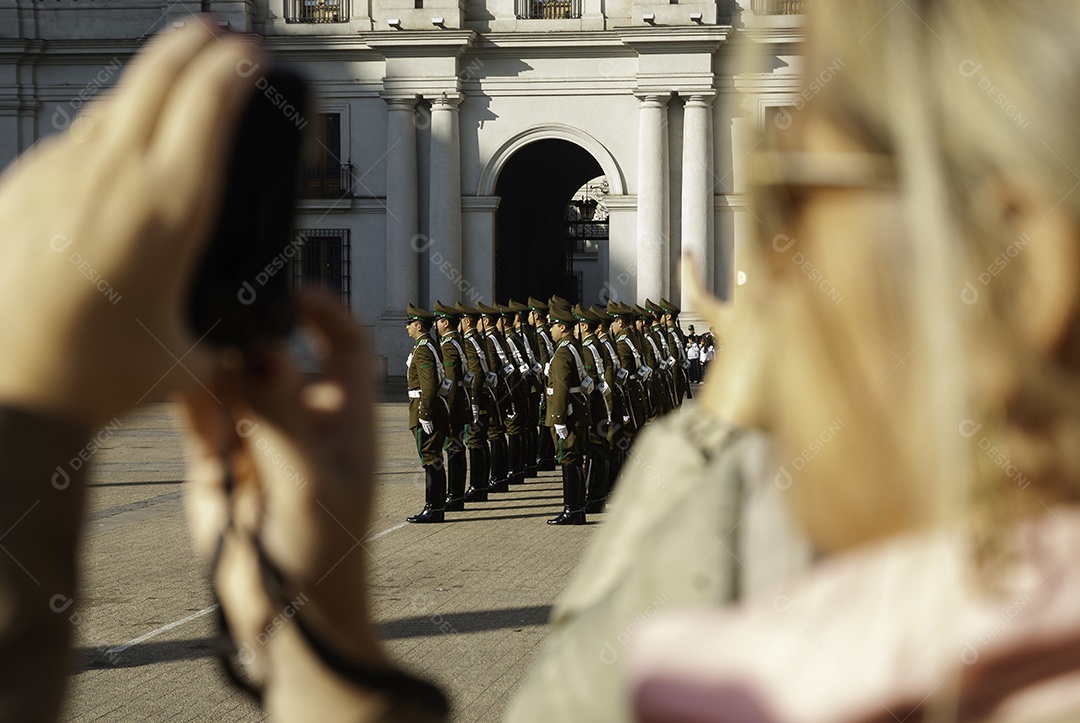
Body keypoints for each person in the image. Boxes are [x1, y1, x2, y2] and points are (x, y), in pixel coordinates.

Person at [405, 304, 450, 523]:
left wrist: (424, 413)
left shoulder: (423, 348)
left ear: (418, 326)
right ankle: (437, 505)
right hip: (431, 406)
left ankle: (433, 508)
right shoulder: (428, 344)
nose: (407, 328)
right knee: (434, 457)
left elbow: (429, 385)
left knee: (431, 457)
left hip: (425, 407)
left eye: (409, 324)